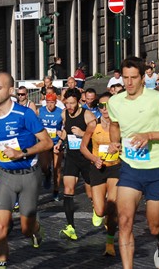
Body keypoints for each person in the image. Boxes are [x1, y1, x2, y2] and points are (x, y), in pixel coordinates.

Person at [107, 57, 159, 269]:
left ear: (143, 78)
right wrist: (115, 142)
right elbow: (114, 124)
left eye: (134, 78)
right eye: (125, 78)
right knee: (124, 221)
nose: (129, 83)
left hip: (157, 169)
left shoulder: (157, 99)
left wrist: (149, 135)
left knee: (154, 227)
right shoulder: (115, 102)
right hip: (130, 168)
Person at [0, 72, 53, 269]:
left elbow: (46, 142)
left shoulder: (25, 114)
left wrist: (22, 153)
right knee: (0, 228)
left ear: (11, 90)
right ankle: (1, 264)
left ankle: (36, 231)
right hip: (4, 176)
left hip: (29, 176)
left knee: (25, 228)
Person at [80, 92, 120, 255]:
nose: (105, 109)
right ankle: (101, 215)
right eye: (101, 106)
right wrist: (94, 158)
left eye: (108, 105)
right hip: (97, 169)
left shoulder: (119, 125)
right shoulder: (92, 125)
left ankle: (110, 243)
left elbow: (128, 146)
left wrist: (119, 147)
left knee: (112, 205)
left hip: (115, 168)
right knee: (100, 210)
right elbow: (83, 147)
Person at [59, 88, 96, 241]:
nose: (69, 106)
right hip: (72, 157)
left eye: (72, 103)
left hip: (86, 157)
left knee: (90, 194)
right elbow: (65, 131)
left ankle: (99, 210)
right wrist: (60, 142)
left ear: (78, 101)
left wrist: (83, 134)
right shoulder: (64, 114)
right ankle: (70, 227)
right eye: (67, 103)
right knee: (68, 189)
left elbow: (97, 135)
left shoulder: (87, 115)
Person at [38, 92, 65, 201]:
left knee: (57, 168)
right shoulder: (40, 111)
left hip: (56, 143)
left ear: (56, 102)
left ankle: (56, 191)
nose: (50, 105)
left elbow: (66, 127)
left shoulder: (61, 112)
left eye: (52, 102)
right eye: (48, 102)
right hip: (45, 142)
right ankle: (47, 174)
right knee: (44, 166)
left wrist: (61, 133)